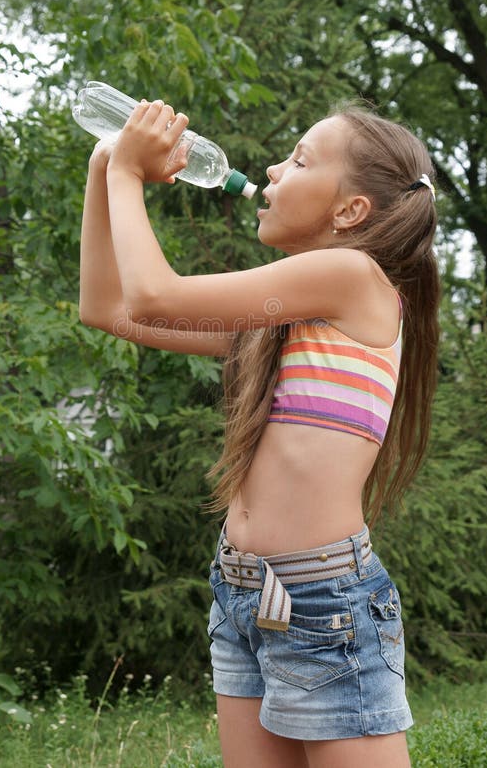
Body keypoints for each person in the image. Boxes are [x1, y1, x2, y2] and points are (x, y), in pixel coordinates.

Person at [79, 97, 440, 768]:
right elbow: (107, 308)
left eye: (300, 160)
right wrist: (108, 163)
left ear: (349, 212)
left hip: (324, 601)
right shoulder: (275, 323)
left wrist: (131, 176)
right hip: (241, 590)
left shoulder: (353, 276)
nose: (272, 170)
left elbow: (156, 294)